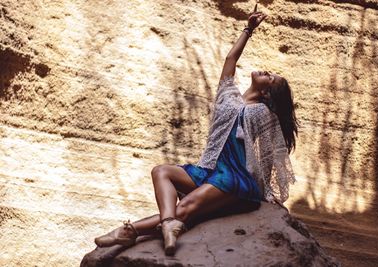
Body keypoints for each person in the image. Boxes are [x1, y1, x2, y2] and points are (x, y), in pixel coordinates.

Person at [94, 7, 298, 256]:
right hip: (210, 170)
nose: (268, 71)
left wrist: (267, 191)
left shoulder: (263, 114)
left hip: (234, 178)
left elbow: (268, 152)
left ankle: (130, 231)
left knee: (186, 207)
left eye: (272, 78)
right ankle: (167, 225)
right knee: (161, 172)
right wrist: (249, 29)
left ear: (267, 93)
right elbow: (230, 61)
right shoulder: (228, 97)